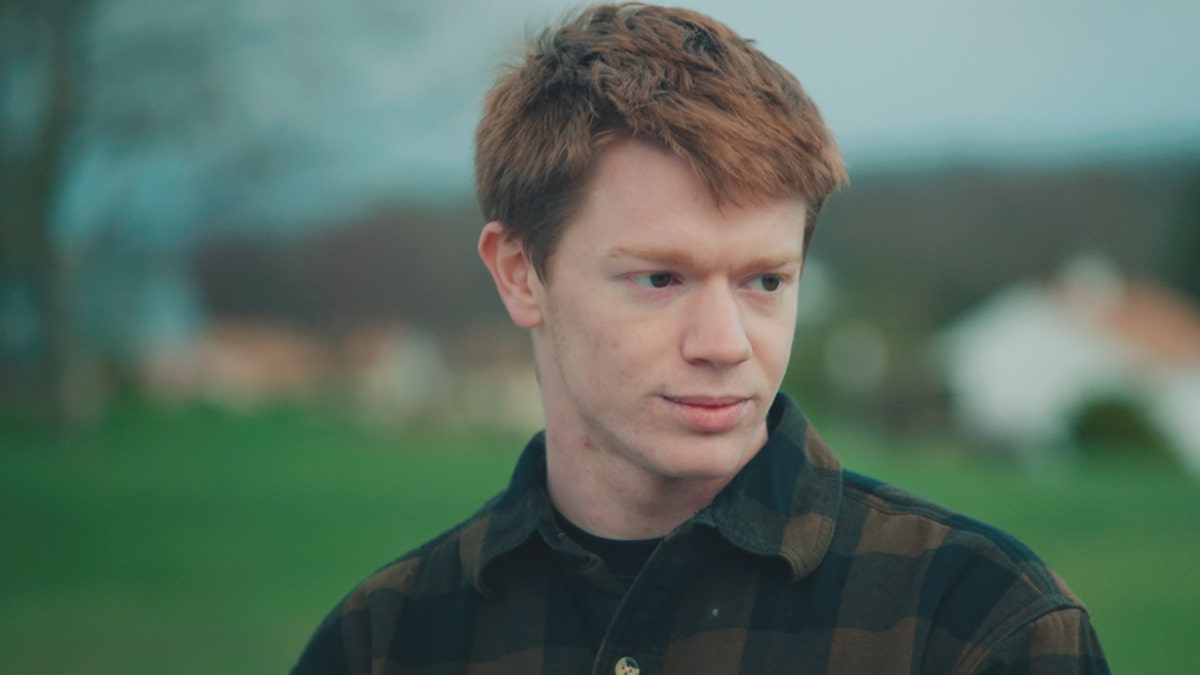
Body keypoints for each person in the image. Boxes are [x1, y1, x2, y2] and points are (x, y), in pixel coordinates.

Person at [293, 3, 1108, 673]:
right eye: (660, 278)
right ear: (518, 272)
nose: (725, 343)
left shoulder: (980, 626)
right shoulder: (387, 642)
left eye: (765, 281)